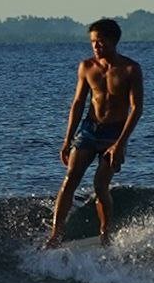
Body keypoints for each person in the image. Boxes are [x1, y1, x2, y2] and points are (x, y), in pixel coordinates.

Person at [46, 18, 143, 247]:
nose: (95, 46)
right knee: (70, 180)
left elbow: (137, 109)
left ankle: (104, 234)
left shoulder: (130, 69)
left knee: (100, 185)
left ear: (112, 41)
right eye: (92, 42)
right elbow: (78, 103)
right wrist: (67, 140)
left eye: (100, 41)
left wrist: (120, 144)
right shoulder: (87, 67)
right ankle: (55, 235)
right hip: (89, 130)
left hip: (114, 133)